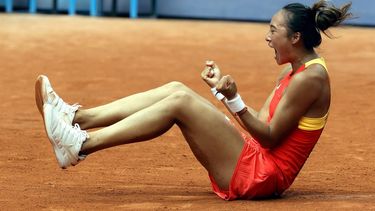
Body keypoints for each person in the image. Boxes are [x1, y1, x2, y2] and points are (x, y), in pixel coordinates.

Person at [35, 0, 352, 200]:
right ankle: (77, 117)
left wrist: (234, 99)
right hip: (254, 159)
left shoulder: (311, 78)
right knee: (176, 89)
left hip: (261, 176)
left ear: (295, 38)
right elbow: (262, 120)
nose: (268, 37)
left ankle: (80, 145)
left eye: (273, 31)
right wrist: (222, 92)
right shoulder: (298, 70)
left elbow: (268, 138)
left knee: (180, 104)